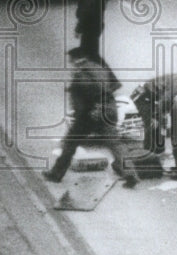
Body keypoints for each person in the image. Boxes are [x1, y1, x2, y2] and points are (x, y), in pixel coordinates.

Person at [43, 48, 139, 188]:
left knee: (70, 143)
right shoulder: (99, 68)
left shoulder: (83, 73)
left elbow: (89, 93)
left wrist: (85, 109)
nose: (70, 62)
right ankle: (130, 174)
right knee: (115, 144)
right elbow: (109, 87)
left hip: (91, 113)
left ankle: (56, 174)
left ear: (77, 59)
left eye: (71, 60)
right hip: (109, 109)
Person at [131, 68, 177, 154]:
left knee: (159, 122)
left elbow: (168, 99)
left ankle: (158, 150)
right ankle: (148, 151)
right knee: (152, 123)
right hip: (143, 96)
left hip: (151, 97)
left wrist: (164, 113)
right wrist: (155, 116)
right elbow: (165, 99)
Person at [75, 0, 111, 69]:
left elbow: (86, 11)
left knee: (89, 54)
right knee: (92, 53)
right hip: (98, 24)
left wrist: (78, 28)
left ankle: (107, 79)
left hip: (89, 26)